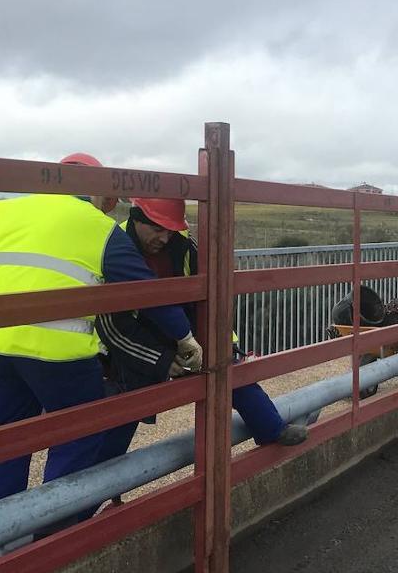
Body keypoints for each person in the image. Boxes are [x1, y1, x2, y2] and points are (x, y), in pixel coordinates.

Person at [0, 153, 203, 516]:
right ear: (95, 192)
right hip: (58, 356)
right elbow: (144, 291)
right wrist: (184, 336)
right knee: (79, 437)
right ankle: (57, 533)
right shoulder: (99, 227)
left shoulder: (0, 212)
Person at [91, 196, 307, 465]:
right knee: (124, 412)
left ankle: (272, 429)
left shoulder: (182, 244)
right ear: (137, 219)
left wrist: (213, 344)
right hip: (131, 342)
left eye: (170, 231)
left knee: (229, 369)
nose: (165, 238)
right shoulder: (117, 246)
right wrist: (160, 360)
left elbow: (205, 297)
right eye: (158, 230)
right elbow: (112, 326)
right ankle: (91, 489)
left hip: (178, 330)